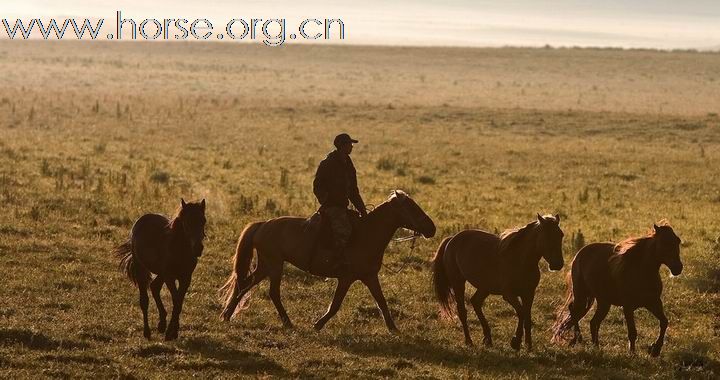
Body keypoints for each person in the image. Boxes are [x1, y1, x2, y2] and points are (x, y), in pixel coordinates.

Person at [313, 133, 367, 265]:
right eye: (349, 144)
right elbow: (317, 186)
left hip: (342, 206)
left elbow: (353, 191)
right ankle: (334, 261)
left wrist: (363, 210)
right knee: (344, 230)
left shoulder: (348, 163)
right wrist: (328, 201)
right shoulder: (328, 163)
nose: (352, 147)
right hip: (331, 206)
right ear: (342, 146)